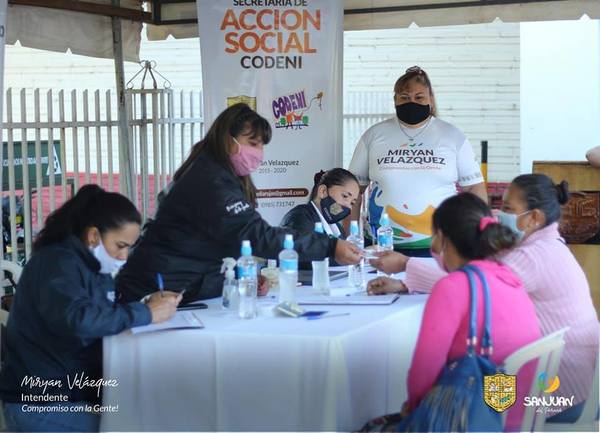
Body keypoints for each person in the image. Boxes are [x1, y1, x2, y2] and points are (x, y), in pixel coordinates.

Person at [369, 174, 599, 422]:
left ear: (534, 217)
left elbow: (471, 285)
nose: (499, 214)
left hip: (561, 393)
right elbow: (475, 278)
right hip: (564, 384)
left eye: (509, 208)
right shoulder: (544, 248)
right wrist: (406, 281)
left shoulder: (532, 257)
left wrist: (406, 264)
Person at [116, 103, 362, 303]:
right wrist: (329, 247)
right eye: (252, 143)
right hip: (155, 292)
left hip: (183, 290)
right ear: (228, 139)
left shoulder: (219, 175)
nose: (259, 153)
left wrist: (246, 274)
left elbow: (227, 236)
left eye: (262, 146)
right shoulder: (210, 181)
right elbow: (257, 235)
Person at [0, 185, 180, 433]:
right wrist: (146, 313)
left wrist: (143, 308)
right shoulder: (57, 263)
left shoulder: (93, 267)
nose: (124, 257)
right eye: (120, 245)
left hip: (71, 393)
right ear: (94, 236)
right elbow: (78, 319)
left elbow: (99, 316)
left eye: (129, 247)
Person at [361, 192, 541, 432]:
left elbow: (423, 371)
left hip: (476, 418)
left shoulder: (453, 286)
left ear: (442, 238)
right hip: (517, 415)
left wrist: (414, 407)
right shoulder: (508, 277)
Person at [348, 66, 487, 257]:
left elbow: (474, 189)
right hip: (381, 245)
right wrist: (349, 236)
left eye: (419, 97)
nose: (411, 102)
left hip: (440, 245)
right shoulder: (373, 135)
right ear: (395, 99)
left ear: (430, 99)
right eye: (404, 97)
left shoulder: (452, 136)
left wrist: (476, 235)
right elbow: (353, 190)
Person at [280, 168, 359, 239]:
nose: (347, 205)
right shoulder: (298, 220)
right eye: (344, 196)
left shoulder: (338, 229)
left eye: (352, 203)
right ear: (323, 191)